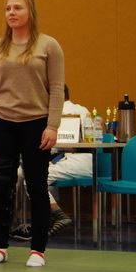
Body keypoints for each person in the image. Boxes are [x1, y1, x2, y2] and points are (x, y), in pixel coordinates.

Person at [0, 0, 64, 267]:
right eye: (7, 9)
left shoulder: (49, 46)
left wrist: (52, 125)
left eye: (17, 8)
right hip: (3, 123)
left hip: (36, 124)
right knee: (0, 187)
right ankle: (1, 246)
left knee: (37, 186)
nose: (11, 13)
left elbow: (56, 89)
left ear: (30, 12)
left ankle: (37, 250)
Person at [10, 84, 87, 241]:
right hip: (72, 159)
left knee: (33, 178)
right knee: (31, 174)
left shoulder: (53, 114)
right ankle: (46, 220)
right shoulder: (82, 110)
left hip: (71, 159)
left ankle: (58, 215)